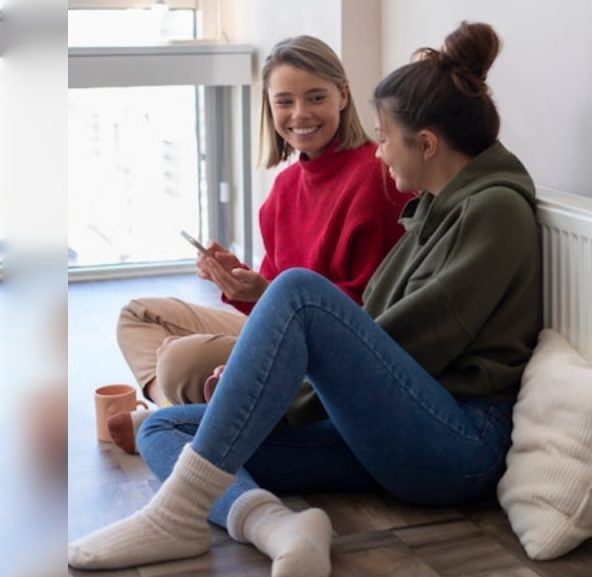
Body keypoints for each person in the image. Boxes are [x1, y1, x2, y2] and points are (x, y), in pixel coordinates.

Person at [68, 21, 541, 577]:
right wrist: (258, 388)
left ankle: (176, 514)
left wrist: (278, 398)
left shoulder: (494, 212)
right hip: (386, 430)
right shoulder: (435, 208)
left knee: (295, 289)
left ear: (427, 144)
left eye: (386, 136)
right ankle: (279, 530)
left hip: (456, 444)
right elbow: (379, 342)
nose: (380, 149)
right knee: (164, 429)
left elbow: (413, 345)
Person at [113, 35, 410, 415]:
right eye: (284, 101)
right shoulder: (284, 190)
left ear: (344, 96)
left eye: (316, 97)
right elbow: (267, 301)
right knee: (138, 315)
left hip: (328, 348)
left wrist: (266, 292)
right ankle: (171, 410)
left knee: (177, 361)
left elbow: (373, 310)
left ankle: (175, 417)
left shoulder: (376, 177)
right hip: (281, 331)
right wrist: (237, 281)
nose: (300, 113)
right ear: (269, 107)